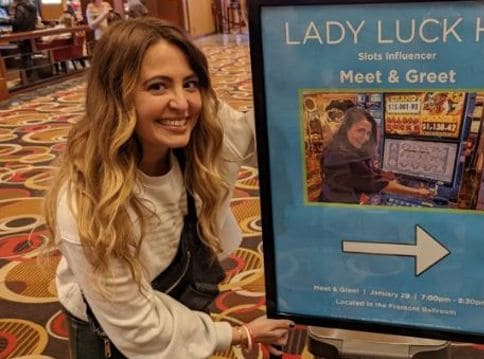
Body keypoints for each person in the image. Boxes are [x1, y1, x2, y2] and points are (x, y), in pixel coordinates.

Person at [44, 18, 292, 358]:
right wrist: (240, 334)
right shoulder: (86, 204)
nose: (182, 103)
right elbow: (141, 330)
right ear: (117, 95)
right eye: (158, 87)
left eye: (189, 84)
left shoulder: (203, 130)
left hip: (177, 299)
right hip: (111, 326)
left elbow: (258, 135)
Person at [319, 107, 431, 204]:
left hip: (331, 201)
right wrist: (417, 192)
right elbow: (379, 184)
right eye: (360, 130)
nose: (366, 138)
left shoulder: (340, 145)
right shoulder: (341, 155)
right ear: (346, 128)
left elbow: (362, 170)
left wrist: (381, 173)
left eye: (368, 133)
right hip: (338, 210)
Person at [11, 0, 38, 82]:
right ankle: (30, 77)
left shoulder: (20, 7)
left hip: (22, 35)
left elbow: (18, 22)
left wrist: (6, 21)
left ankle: (26, 78)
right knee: (28, 55)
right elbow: (35, 20)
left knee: (25, 56)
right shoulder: (32, 6)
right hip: (30, 34)